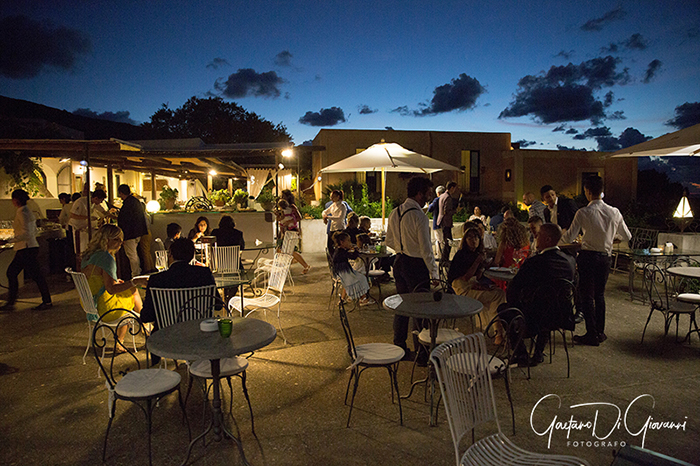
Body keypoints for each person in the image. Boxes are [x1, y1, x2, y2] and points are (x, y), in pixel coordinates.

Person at [562, 175, 632, 346]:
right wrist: (609, 239)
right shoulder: (614, 212)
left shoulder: (583, 212)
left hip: (588, 257)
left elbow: (569, 237)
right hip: (605, 258)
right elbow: (627, 236)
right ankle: (600, 332)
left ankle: (591, 333)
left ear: (587, 191)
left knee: (586, 296)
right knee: (600, 295)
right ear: (602, 191)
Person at [501, 223, 576, 366]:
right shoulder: (570, 261)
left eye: (539, 234)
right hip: (562, 314)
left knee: (507, 310)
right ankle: (538, 352)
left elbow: (514, 287)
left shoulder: (535, 262)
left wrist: (516, 306)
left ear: (547, 239)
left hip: (536, 317)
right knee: (548, 304)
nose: (535, 237)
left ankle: (521, 354)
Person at [140, 238, 216, 363]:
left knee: (153, 333)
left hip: (168, 334)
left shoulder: (156, 279)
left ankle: (158, 368)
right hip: (200, 331)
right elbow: (217, 304)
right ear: (192, 255)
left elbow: (146, 316)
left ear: (170, 254)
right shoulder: (204, 274)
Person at [386, 177, 438, 360]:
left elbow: (389, 241)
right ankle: (422, 354)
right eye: (428, 195)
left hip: (399, 262)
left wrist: (402, 248)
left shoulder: (395, 212)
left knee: (402, 306)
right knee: (420, 309)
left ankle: (399, 346)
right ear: (419, 194)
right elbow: (427, 250)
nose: (429, 199)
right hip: (416, 265)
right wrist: (434, 273)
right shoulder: (419, 217)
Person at [80, 224, 146, 346]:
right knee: (133, 291)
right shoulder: (106, 258)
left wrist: (117, 282)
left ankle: (124, 339)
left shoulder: (88, 255)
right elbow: (111, 290)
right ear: (106, 239)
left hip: (89, 304)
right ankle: (145, 325)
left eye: (121, 239)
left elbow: (97, 280)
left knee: (130, 290)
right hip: (105, 308)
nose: (121, 243)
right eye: (117, 239)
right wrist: (134, 281)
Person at [0, 189, 53, 312]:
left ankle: (12, 302)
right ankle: (45, 300)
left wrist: (9, 241)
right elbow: (32, 231)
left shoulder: (22, 212)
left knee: (14, 273)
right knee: (34, 275)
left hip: (26, 248)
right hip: (28, 247)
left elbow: (26, 233)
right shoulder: (27, 211)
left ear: (15, 200)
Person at [447, 225, 506, 333]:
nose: (473, 240)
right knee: (498, 295)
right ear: (465, 240)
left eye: (476, 237)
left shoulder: (475, 254)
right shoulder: (462, 255)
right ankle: (497, 331)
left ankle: (491, 329)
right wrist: (478, 262)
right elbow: (466, 278)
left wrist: (484, 265)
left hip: (471, 285)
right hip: (460, 290)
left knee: (495, 292)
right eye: (469, 238)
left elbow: (477, 277)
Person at [331, 232, 374, 306]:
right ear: (342, 242)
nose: (350, 243)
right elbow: (353, 257)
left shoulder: (340, 250)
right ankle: (363, 299)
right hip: (343, 273)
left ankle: (360, 298)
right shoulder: (341, 252)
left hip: (342, 272)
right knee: (361, 278)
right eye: (348, 241)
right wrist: (356, 250)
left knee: (361, 277)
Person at [116, 184, 148, 278]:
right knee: (134, 254)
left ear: (121, 193)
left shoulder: (128, 203)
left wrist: (123, 236)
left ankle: (135, 274)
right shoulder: (135, 201)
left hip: (130, 234)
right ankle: (136, 272)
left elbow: (125, 221)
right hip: (138, 232)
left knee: (131, 255)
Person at [68, 188, 108, 259]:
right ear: (96, 198)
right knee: (79, 248)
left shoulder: (94, 203)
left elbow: (103, 211)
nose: (101, 202)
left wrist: (113, 216)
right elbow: (72, 215)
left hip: (85, 227)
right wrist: (88, 217)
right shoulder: (81, 202)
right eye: (101, 200)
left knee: (87, 245)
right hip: (76, 227)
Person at [279, 189, 311, 273]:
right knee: (286, 250)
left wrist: (288, 222)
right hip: (286, 230)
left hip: (292, 230)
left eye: (283, 196)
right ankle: (301, 265)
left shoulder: (292, 207)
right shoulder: (282, 207)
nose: (282, 198)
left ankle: (305, 265)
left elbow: (299, 217)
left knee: (290, 250)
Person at [436, 181, 460, 262]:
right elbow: (447, 211)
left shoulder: (442, 196)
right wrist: (456, 211)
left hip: (441, 221)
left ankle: (444, 258)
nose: (455, 190)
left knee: (446, 241)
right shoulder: (448, 197)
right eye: (455, 188)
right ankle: (445, 259)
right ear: (452, 188)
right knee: (448, 242)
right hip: (446, 222)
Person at [427, 185, 445, 250]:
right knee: (443, 240)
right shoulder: (446, 198)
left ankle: (439, 254)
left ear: (438, 193)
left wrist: (430, 205)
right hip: (444, 223)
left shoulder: (437, 200)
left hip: (437, 223)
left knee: (438, 240)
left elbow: (430, 209)